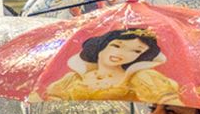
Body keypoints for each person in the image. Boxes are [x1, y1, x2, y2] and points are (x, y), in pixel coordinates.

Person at [46, 28, 180, 104]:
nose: (121, 54)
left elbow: (170, 106)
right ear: (101, 46)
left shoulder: (142, 78)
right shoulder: (72, 79)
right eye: (116, 46)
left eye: (136, 51)